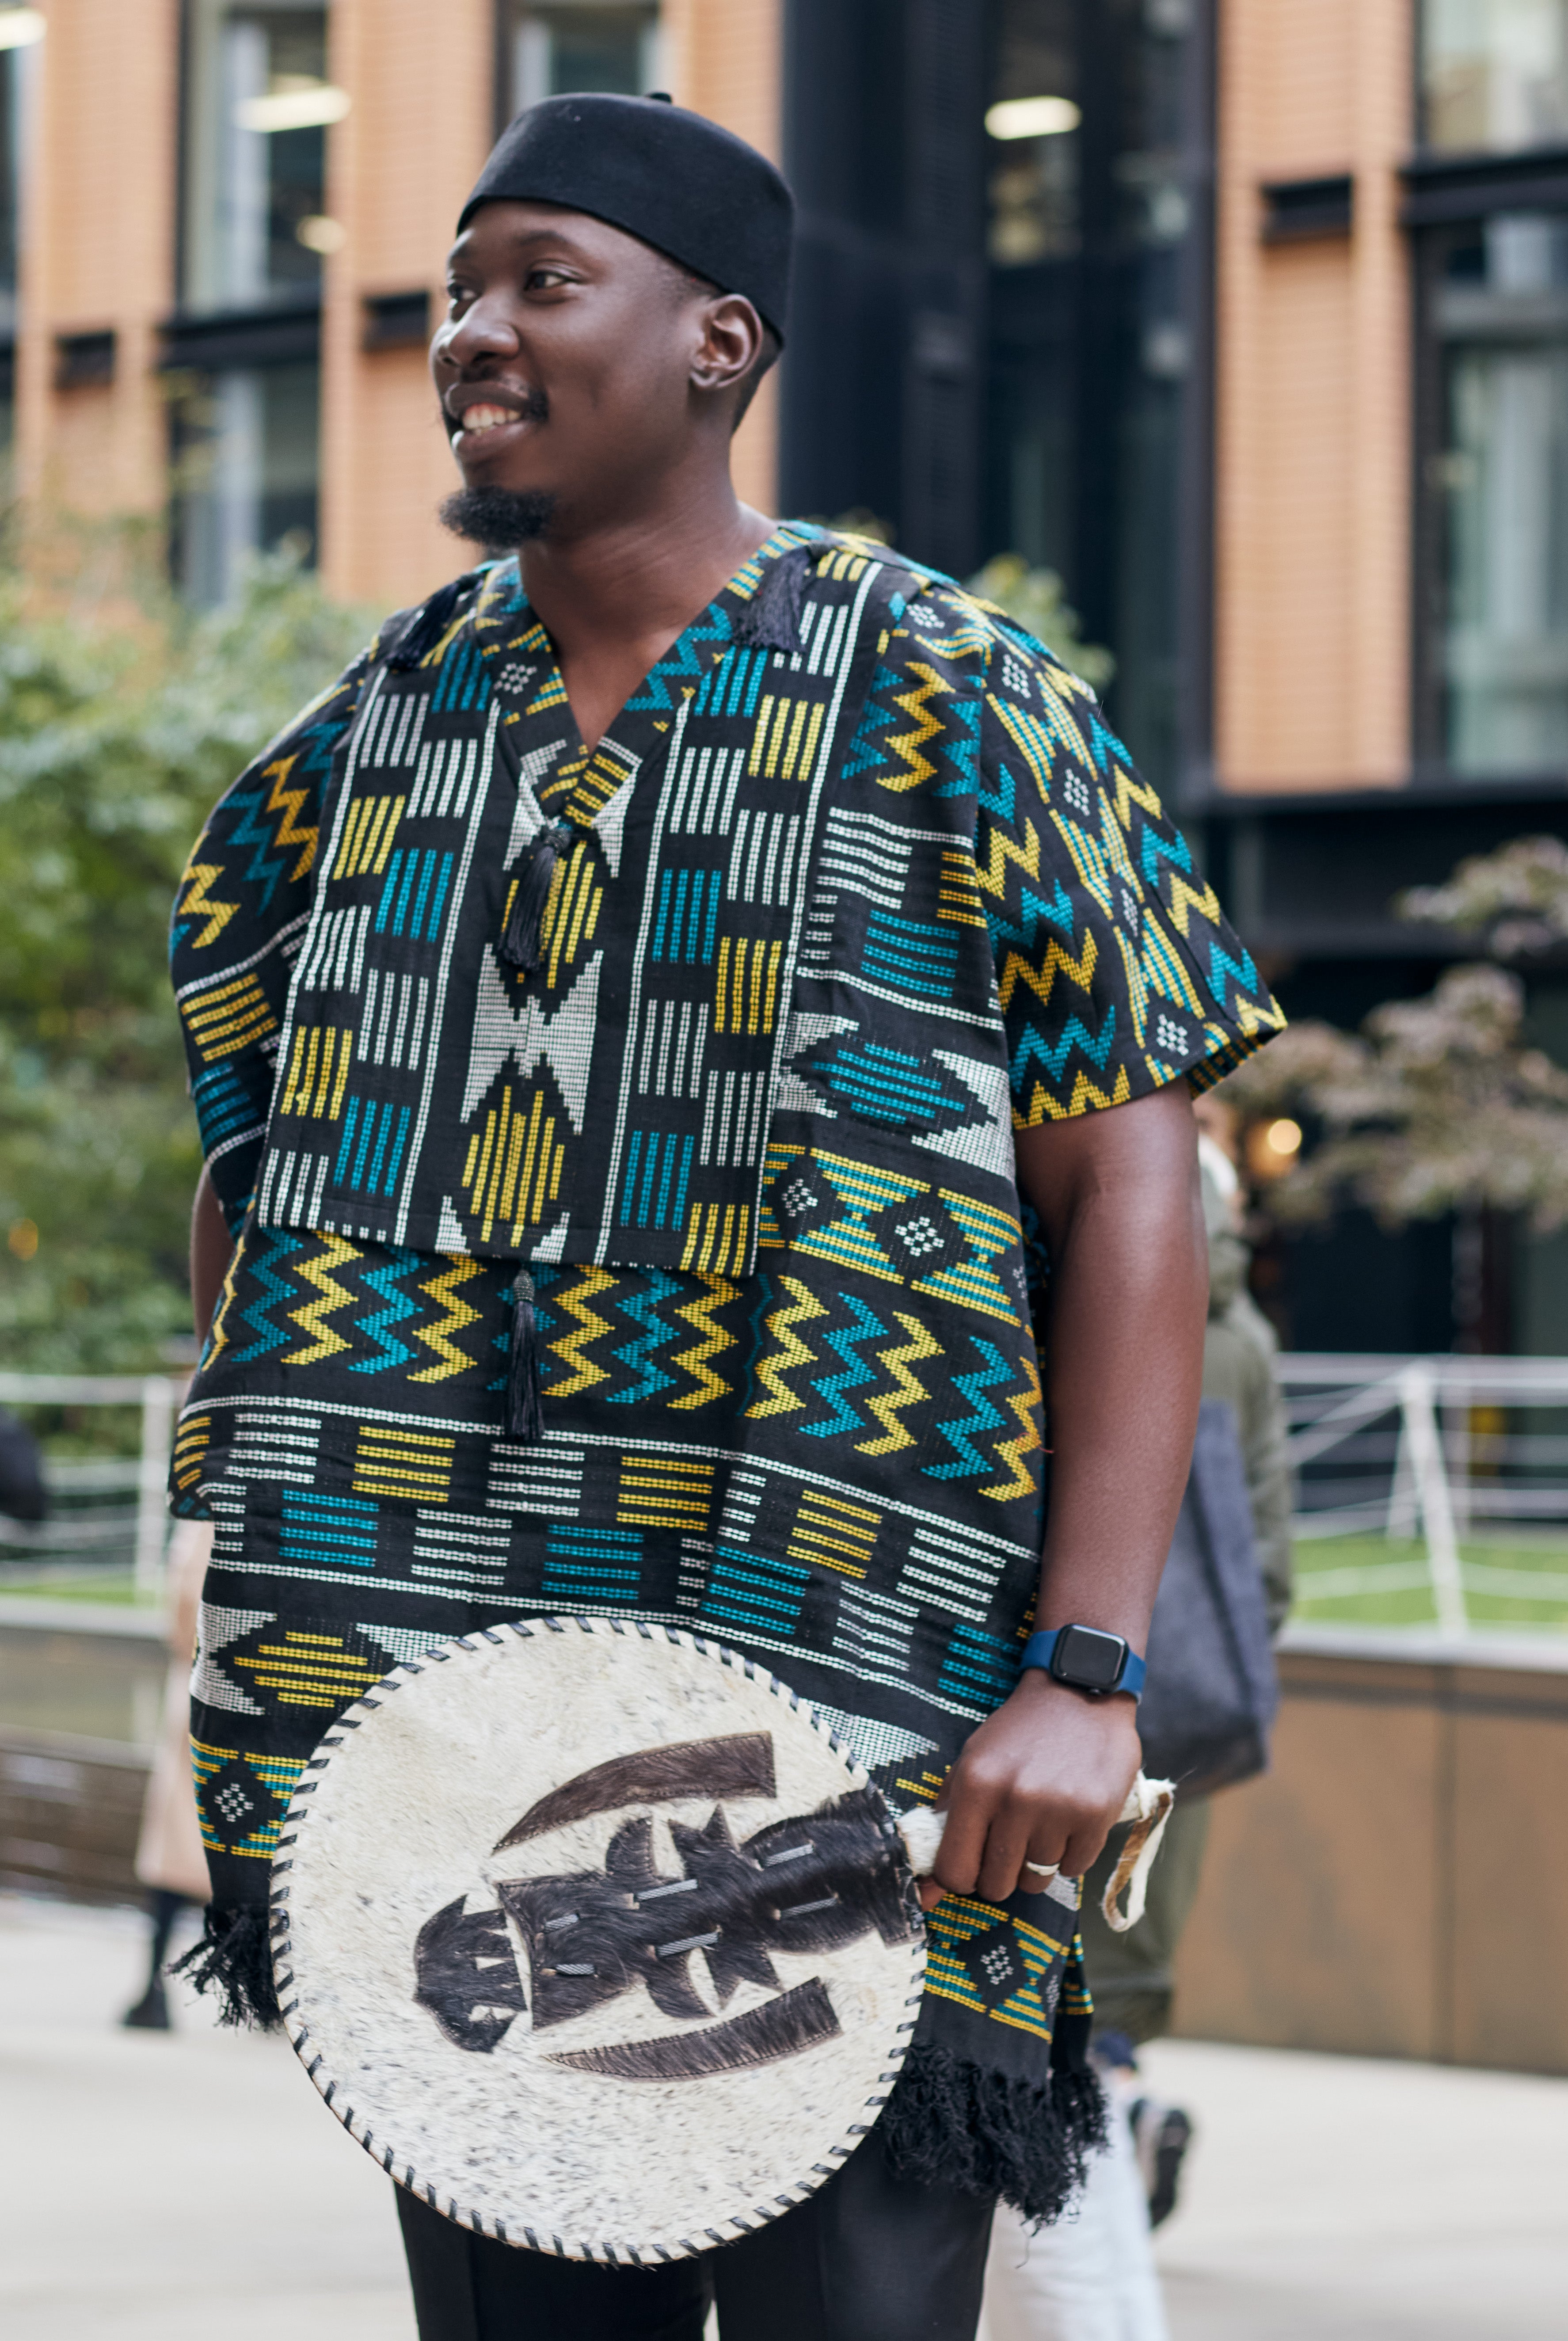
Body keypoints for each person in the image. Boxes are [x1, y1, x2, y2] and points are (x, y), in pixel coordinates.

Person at [166, 91, 1283, 2341]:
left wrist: (1080, 1670)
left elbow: (1126, 1187)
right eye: (459, 289)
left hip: (869, 1732)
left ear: (716, 343)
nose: (474, 332)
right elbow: (243, 1190)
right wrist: (274, 1554)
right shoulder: (348, 750)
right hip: (459, 1762)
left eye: (540, 281)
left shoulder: (959, 701)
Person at [978, 1106, 1294, 2335]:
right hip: (1149, 1750)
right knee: (1086, 2051)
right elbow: (1264, 1577)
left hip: (1009, 1731)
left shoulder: (1032, 1294)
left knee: (1040, 2073)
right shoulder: (1242, 1341)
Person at [122, 1518, 213, 2028]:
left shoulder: (210, 1504)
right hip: (277, 1695)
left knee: (175, 1842)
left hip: (206, 1688)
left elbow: (184, 1595)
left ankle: (153, 1987)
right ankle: (270, 1991)